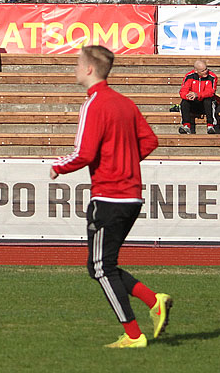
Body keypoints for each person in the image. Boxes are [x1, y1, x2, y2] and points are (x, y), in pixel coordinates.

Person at [50, 45, 171, 349]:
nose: (75, 68)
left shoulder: (94, 104)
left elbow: (84, 153)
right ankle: (153, 300)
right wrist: (125, 161)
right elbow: (150, 141)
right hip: (131, 196)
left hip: (109, 196)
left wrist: (57, 167)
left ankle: (133, 335)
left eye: (78, 63)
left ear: (90, 69)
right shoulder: (125, 103)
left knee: (101, 267)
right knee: (102, 264)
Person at [178, 59, 220, 134]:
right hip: (193, 102)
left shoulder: (212, 77)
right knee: (184, 102)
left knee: (208, 100)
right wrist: (188, 96)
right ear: (196, 71)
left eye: (206, 69)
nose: (206, 71)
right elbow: (183, 91)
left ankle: (210, 125)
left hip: (205, 103)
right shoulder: (189, 76)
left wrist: (197, 95)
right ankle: (186, 126)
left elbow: (211, 92)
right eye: (203, 71)